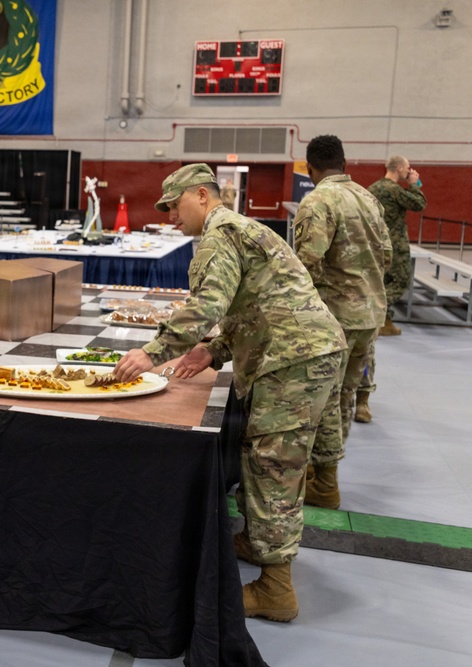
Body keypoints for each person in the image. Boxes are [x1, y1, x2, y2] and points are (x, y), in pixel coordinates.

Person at [113, 164, 346, 622]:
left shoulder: (219, 236)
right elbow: (254, 303)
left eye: (174, 205)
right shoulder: (242, 228)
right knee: (271, 459)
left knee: (271, 466)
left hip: (293, 359)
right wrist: (213, 351)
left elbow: (208, 305)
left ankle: (277, 590)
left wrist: (153, 351)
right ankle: (260, 544)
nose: (169, 217)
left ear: (201, 195)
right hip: (304, 351)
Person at [292, 135, 392, 510]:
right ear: (343, 162)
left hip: (335, 316)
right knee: (347, 391)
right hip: (370, 314)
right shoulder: (369, 197)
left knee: (325, 397)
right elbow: (387, 254)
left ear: (310, 167)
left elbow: (306, 264)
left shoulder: (318, 200)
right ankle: (325, 472)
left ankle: (325, 482)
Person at [368, 155, 427, 336]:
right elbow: (420, 204)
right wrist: (414, 184)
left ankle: (384, 321)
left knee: (383, 280)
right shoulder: (395, 190)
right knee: (402, 279)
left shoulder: (372, 188)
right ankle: (378, 311)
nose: (410, 171)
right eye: (408, 167)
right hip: (395, 244)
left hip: (376, 243)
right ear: (399, 168)